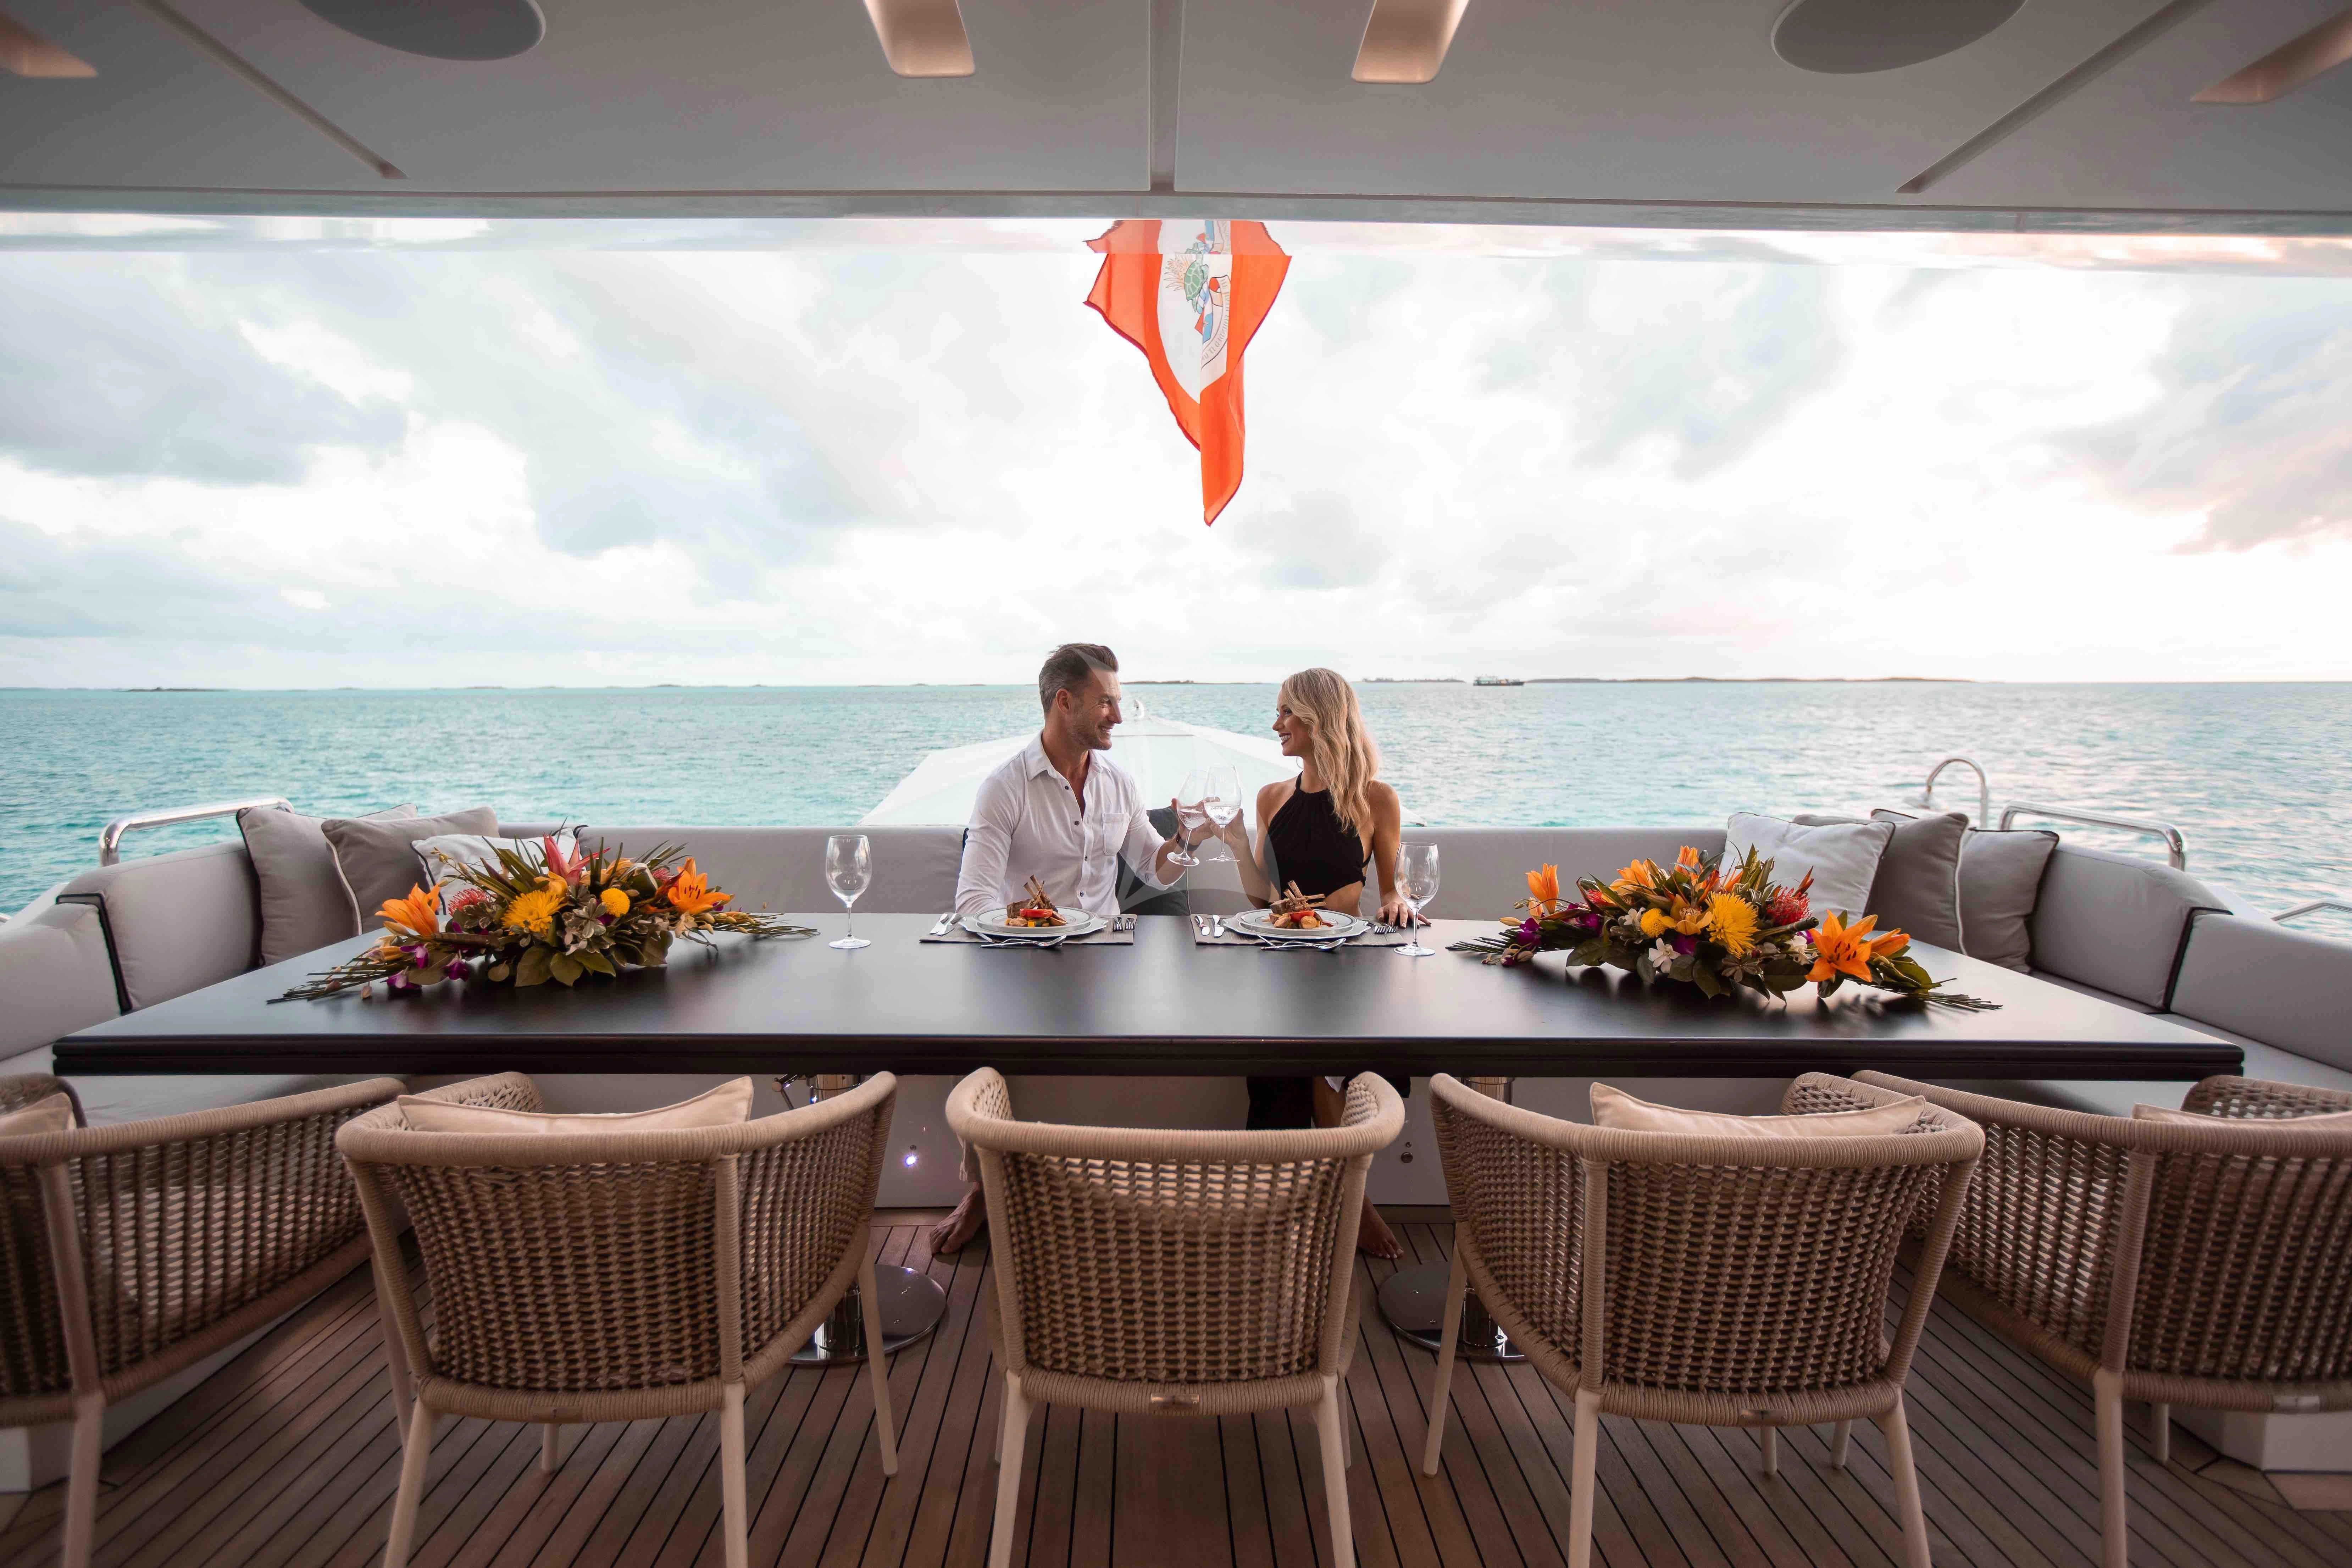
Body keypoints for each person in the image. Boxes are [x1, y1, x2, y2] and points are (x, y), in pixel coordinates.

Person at [928, 642, 1209, 1255]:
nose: (1118, 714)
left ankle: (1134, 1194)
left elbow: (1153, 869)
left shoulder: (1119, 783)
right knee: (984, 1039)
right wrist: (1042, 926)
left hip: (1108, 960)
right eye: (1106, 702)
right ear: (1065, 703)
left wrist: (1186, 838)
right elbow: (973, 903)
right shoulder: (1005, 788)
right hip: (1023, 959)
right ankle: (981, 1189)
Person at [1213, 666, 1413, 1258]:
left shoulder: (1376, 798)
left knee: (1332, 1062)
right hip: (1280, 958)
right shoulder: (1272, 797)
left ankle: (1338, 1206)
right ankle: (1320, 1207)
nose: (1276, 724)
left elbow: (1390, 890)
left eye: (1285, 712)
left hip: (1347, 961)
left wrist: (1399, 899)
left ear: (1318, 717)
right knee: (1289, 1060)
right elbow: (1260, 898)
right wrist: (1231, 841)